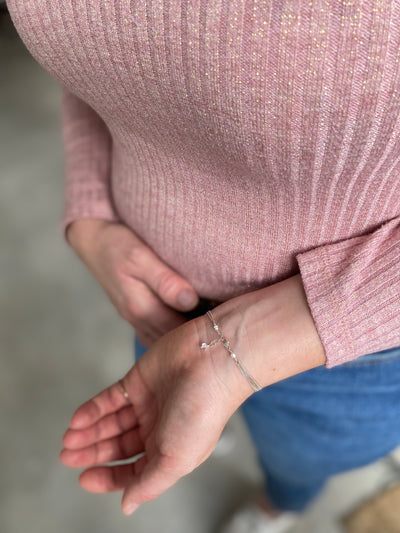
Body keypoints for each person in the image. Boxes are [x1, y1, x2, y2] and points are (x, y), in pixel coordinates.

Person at [6, 0, 400, 531]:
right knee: (177, 416)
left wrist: (239, 348)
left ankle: (277, 506)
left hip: (349, 347)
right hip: (157, 296)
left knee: (295, 467)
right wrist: (91, 208)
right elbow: (98, 59)